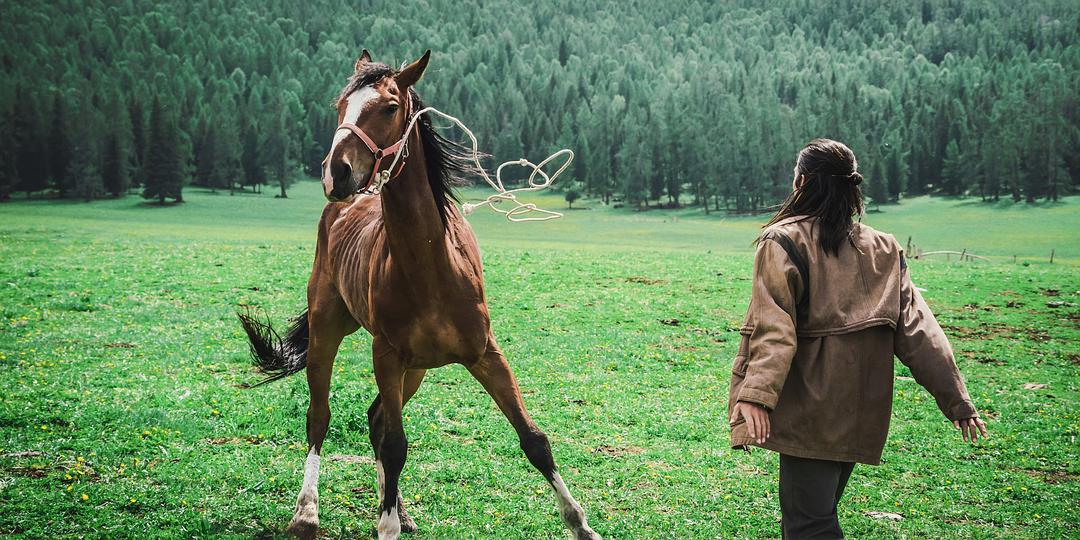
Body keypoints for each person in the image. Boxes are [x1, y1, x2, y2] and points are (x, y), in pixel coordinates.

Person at [727, 138, 988, 539]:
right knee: (818, 514)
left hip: (812, 409)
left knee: (808, 524)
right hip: (863, 408)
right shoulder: (884, 247)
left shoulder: (781, 241)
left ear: (801, 182)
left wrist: (754, 395)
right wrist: (956, 399)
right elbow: (920, 331)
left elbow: (773, 331)